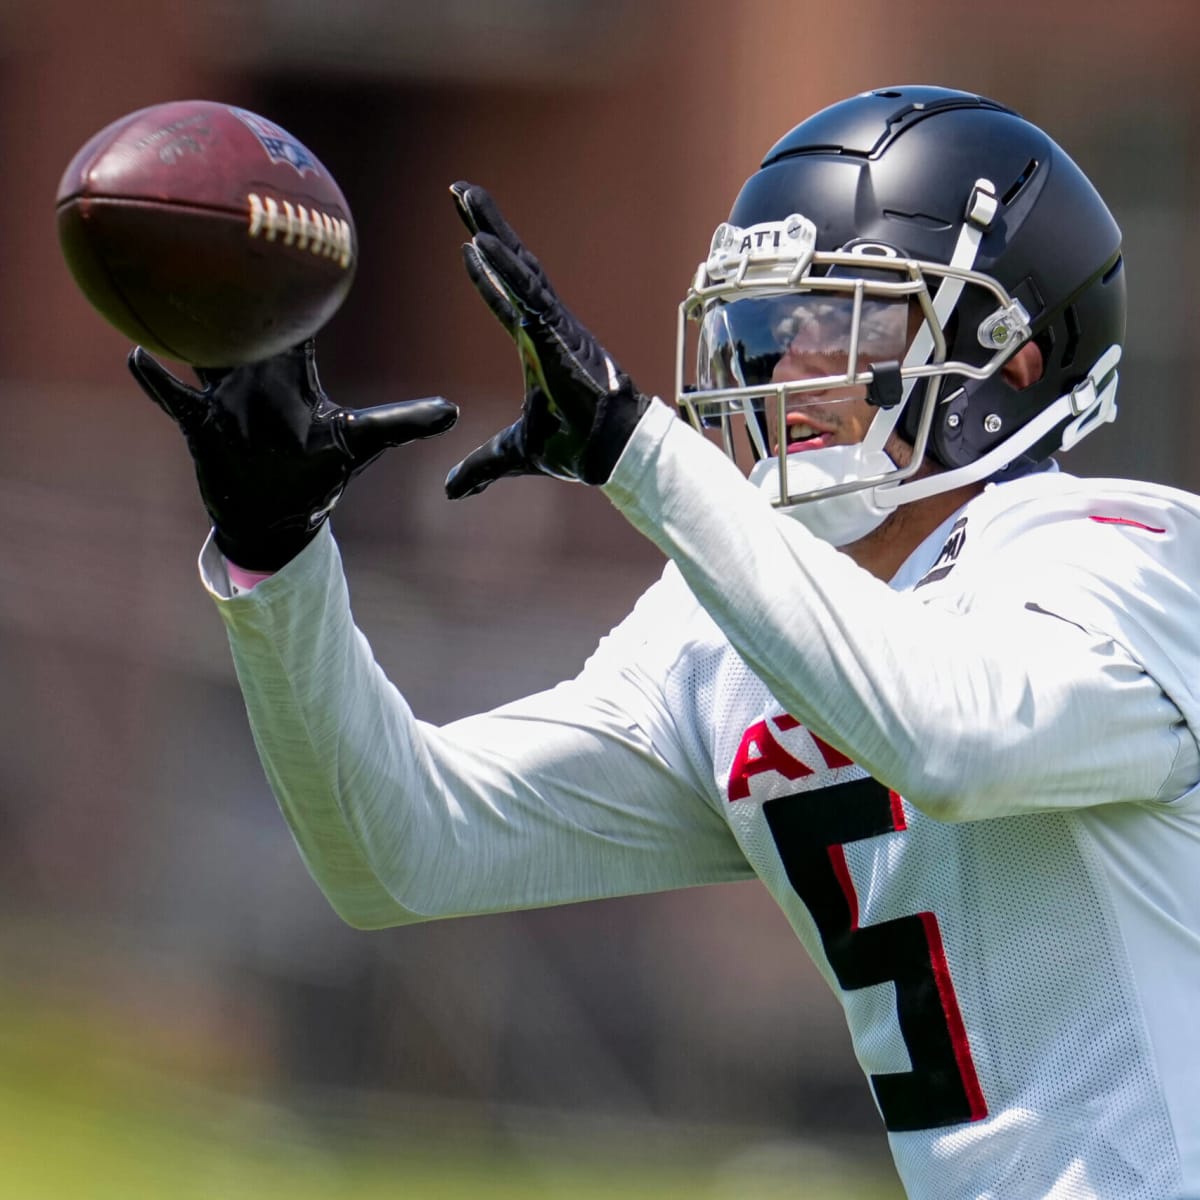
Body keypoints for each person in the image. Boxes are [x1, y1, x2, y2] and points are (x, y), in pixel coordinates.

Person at [128, 85, 1200, 1199]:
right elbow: (402, 847)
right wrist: (281, 555)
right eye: (773, 326)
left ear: (1010, 354)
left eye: (849, 317)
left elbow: (953, 739)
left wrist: (636, 451)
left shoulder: (1135, 555)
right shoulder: (734, 624)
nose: (789, 368)